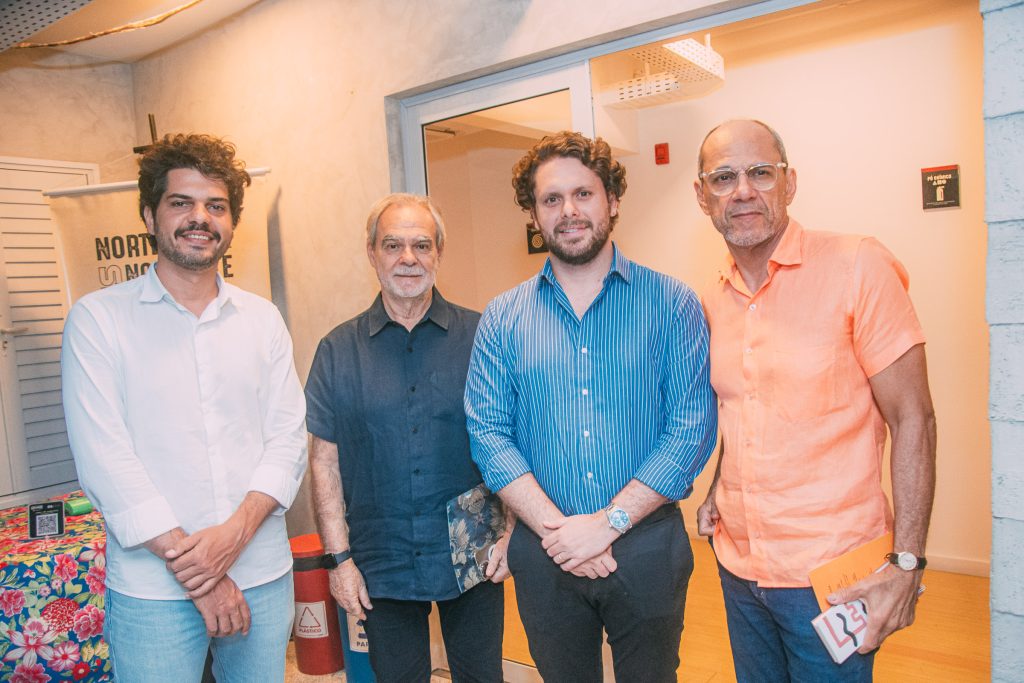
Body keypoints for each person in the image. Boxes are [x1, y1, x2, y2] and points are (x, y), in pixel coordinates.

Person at [465, 131, 718, 682]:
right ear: (533, 215)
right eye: (551, 199)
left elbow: (691, 429)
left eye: (584, 194)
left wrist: (607, 524)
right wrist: (560, 532)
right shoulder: (503, 318)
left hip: (647, 544)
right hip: (544, 548)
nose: (569, 211)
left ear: (613, 201)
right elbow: (488, 433)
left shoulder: (671, 303)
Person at [693, 119, 937, 681]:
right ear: (702, 195)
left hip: (834, 578)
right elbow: (744, 408)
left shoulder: (859, 266)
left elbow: (914, 418)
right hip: (739, 567)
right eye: (724, 177)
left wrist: (906, 563)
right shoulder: (713, 296)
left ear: (790, 182)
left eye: (761, 173)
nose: (744, 191)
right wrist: (714, 488)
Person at [61, 133, 308, 681]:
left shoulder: (262, 318)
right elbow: (107, 461)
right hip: (152, 589)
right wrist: (203, 572)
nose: (200, 217)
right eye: (182, 203)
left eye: (215, 206)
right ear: (149, 215)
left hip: (261, 573)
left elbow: (288, 439)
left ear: (231, 223)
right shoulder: (99, 320)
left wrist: (234, 537)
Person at [305, 193, 508, 683]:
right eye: (393, 245)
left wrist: (511, 534)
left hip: (474, 552)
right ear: (372, 253)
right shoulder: (337, 351)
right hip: (382, 557)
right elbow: (324, 463)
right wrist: (338, 560)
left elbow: (512, 440)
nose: (408, 258)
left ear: (438, 252)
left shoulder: (484, 337)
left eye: (421, 245)